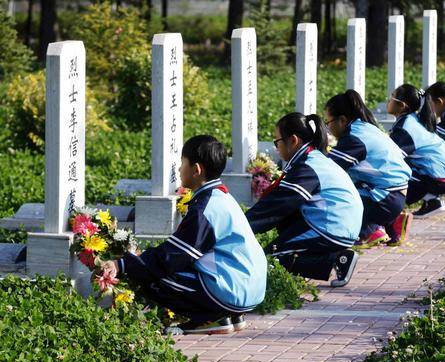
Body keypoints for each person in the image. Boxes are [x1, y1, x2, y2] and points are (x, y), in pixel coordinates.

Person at [110, 135, 267, 335]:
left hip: (231, 291)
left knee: (153, 277)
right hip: (250, 289)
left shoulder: (205, 208)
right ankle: (228, 315)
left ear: (196, 169)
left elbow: (172, 257)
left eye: (182, 163)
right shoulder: (223, 197)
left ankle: (210, 318)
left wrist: (123, 264)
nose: (179, 169)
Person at [246, 113, 362, 288]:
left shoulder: (307, 167)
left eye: (277, 142)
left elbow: (276, 206)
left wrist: (240, 226)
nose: (276, 148)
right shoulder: (312, 158)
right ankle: (335, 257)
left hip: (332, 227)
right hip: (339, 222)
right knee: (283, 229)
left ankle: (336, 259)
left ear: (293, 140)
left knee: (270, 261)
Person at [325, 90, 413, 247]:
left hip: (386, 199)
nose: (328, 128)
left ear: (342, 120)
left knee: (336, 194)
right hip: (396, 194)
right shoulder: (364, 127)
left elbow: (327, 169)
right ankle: (393, 223)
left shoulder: (354, 138)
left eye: (328, 123)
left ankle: (369, 230)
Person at [387, 84, 445, 218]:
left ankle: (391, 210)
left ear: (402, 105)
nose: (389, 100)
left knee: (393, 175)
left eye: (392, 97)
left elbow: (391, 158)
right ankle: (432, 200)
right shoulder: (412, 120)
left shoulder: (405, 128)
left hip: (442, 178)